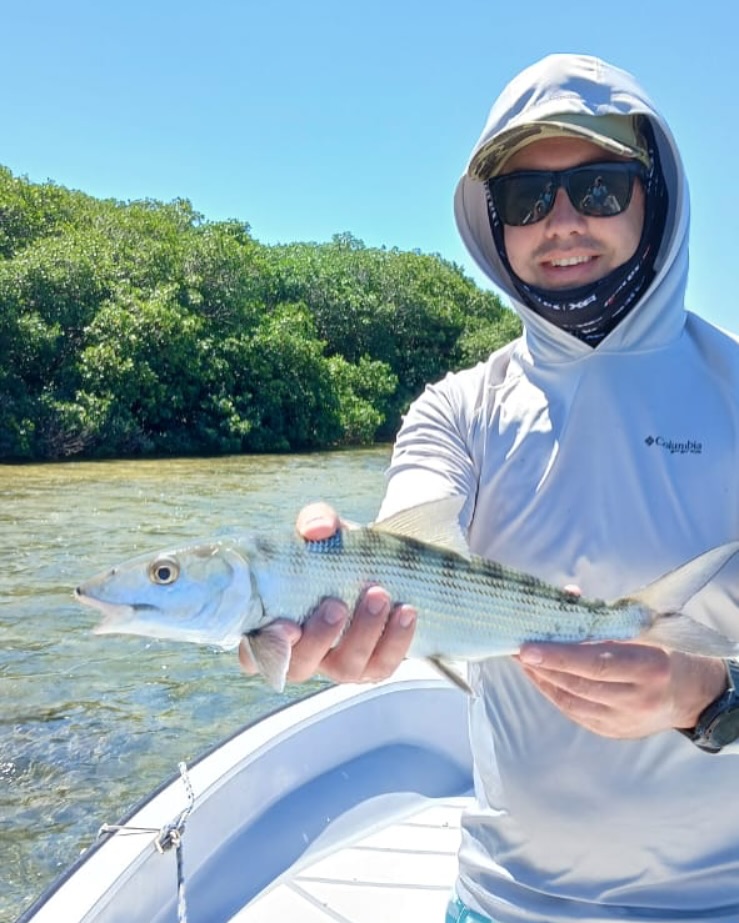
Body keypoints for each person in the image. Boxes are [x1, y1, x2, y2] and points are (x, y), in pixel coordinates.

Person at [241, 54, 739, 922]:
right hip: (501, 900)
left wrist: (709, 698)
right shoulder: (455, 410)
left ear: (653, 195)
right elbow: (407, 551)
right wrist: (328, 605)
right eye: (524, 200)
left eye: (598, 189)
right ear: (493, 225)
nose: (561, 224)